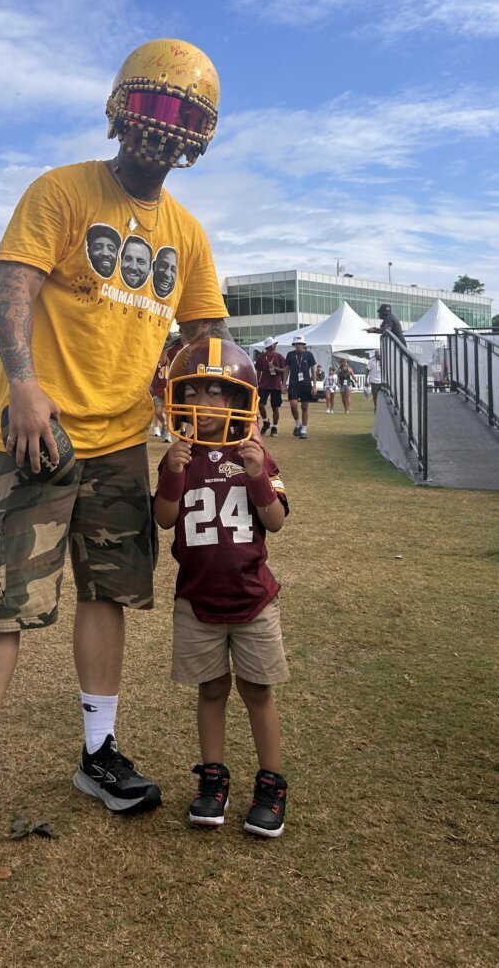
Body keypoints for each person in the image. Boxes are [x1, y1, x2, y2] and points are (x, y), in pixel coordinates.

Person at [0, 37, 230, 854]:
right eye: (155, 107)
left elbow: (209, 332)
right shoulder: (59, 190)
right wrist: (23, 384)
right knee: (4, 601)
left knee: (108, 594)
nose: (164, 129)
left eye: (183, 114)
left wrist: (209, 392)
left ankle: (97, 753)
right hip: (39, 431)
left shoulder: (188, 233)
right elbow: (13, 288)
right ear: (120, 108)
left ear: (202, 134)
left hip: (123, 443)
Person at [155, 338, 290, 837]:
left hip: (253, 598)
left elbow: (274, 521)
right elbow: (165, 520)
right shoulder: (179, 456)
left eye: (216, 393)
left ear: (238, 401)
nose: (203, 404)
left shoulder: (255, 454)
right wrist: (171, 473)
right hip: (196, 598)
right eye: (194, 391)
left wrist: (257, 474)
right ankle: (213, 779)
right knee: (211, 689)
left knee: (258, 690)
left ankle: (271, 782)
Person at [284, 335, 317, 438]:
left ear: (303, 345)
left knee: (305, 407)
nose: (298, 346)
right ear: (294, 345)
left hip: (306, 383)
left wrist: (314, 385)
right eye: (296, 344)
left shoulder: (309, 355)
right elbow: (286, 369)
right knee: (293, 404)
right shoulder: (290, 355)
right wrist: (284, 383)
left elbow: (313, 370)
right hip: (293, 383)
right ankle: (298, 423)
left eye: (300, 344)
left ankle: (304, 429)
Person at [254, 338, 285, 437]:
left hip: (276, 385)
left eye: (275, 344)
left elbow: (284, 370)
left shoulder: (279, 357)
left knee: (275, 407)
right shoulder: (261, 357)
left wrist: (283, 384)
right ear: (268, 346)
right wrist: (256, 383)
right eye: (273, 344)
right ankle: (266, 421)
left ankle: (274, 427)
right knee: (260, 404)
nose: (275, 345)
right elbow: (258, 371)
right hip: (264, 384)